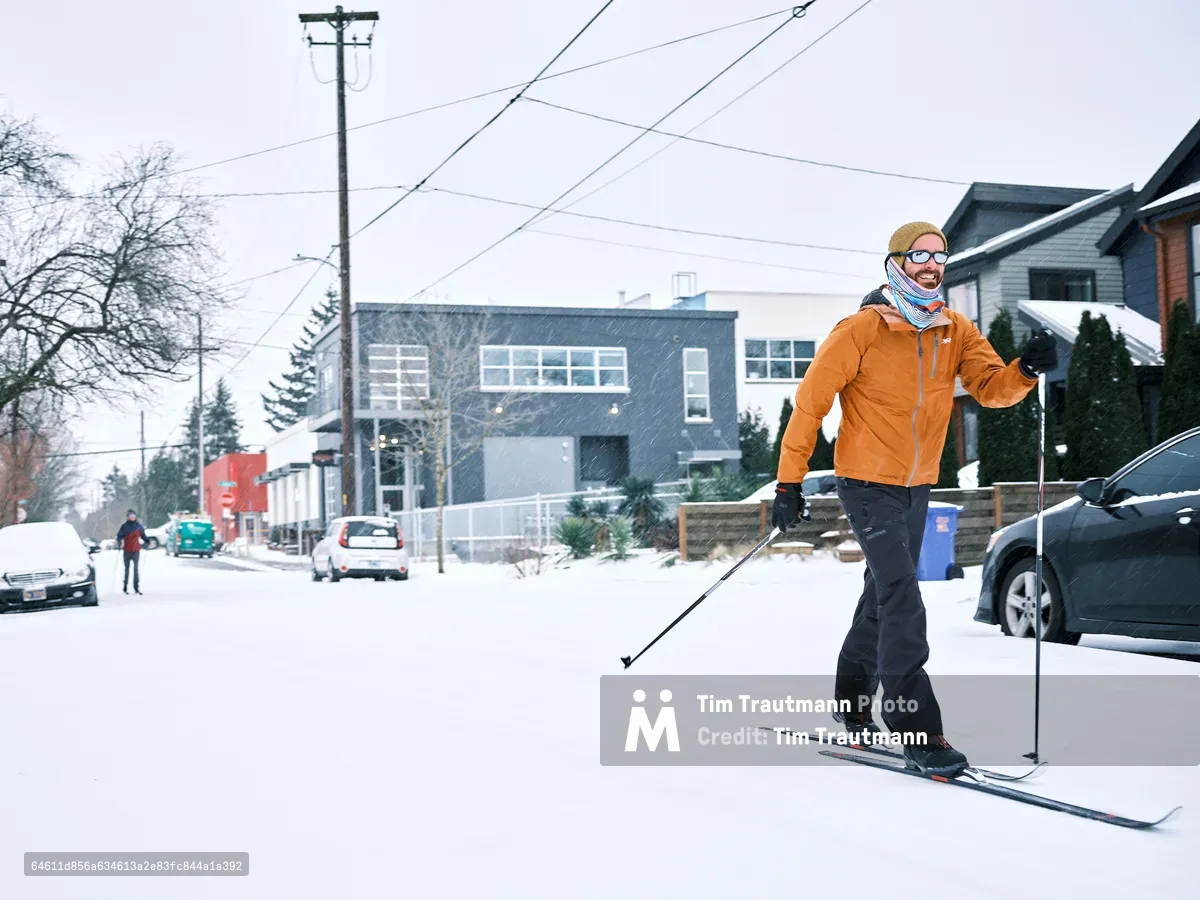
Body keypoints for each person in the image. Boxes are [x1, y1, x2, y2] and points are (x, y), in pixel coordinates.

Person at [771, 221, 1058, 776]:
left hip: (917, 484)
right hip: (867, 483)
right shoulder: (862, 329)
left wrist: (1024, 369)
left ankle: (852, 702)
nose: (932, 264)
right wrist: (789, 482)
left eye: (940, 257)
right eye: (920, 255)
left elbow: (990, 389)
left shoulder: (954, 328)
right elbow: (810, 405)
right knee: (903, 595)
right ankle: (919, 730)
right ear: (896, 261)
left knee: (882, 591)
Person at [116, 509, 149, 595]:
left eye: (133, 516)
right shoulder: (124, 526)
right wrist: (119, 542)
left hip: (136, 550)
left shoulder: (139, 526)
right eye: (131, 516)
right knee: (127, 569)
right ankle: (125, 588)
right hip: (127, 550)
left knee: (136, 569)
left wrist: (147, 540)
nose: (132, 518)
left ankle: (136, 588)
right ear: (128, 517)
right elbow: (119, 536)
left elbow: (143, 536)